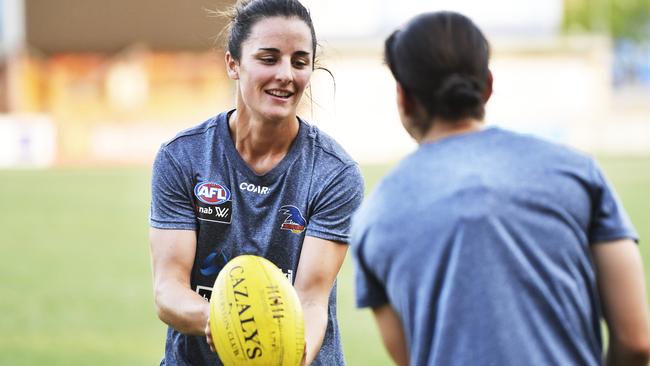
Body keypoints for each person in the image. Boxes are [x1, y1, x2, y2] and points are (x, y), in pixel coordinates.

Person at [350, 11, 650, 366]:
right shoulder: (578, 173)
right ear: (487, 86)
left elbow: (415, 358)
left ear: (404, 98)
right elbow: (636, 341)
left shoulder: (375, 215)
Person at [149, 0, 364, 364]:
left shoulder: (335, 173)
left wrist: (284, 356)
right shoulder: (182, 157)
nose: (286, 74)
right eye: (269, 58)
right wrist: (223, 323)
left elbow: (311, 300)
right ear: (233, 63)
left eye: (299, 61)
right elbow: (168, 290)